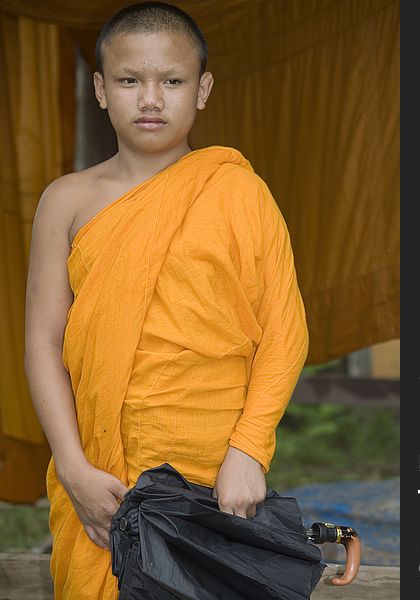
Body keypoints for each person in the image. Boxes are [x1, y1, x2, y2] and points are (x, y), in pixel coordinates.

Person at [24, 2, 309, 598]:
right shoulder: (66, 200)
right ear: (101, 89)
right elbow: (43, 343)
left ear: (202, 89)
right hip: (102, 474)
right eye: (129, 80)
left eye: (172, 81)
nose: (150, 99)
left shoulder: (239, 193)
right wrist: (73, 469)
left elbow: (284, 333)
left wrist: (249, 452)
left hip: (211, 477)